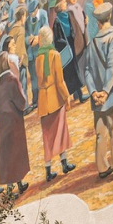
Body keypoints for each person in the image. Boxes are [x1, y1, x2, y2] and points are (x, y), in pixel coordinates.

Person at [83, 1, 113, 179]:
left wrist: (93, 92)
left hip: (96, 97)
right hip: (111, 93)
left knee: (100, 132)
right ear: (109, 17)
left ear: (98, 22)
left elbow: (86, 70)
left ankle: (103, 168)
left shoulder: (93, 42)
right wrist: (105, 91)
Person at [33, 27, 76, 181]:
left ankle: (48, 170)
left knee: (47, 135)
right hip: (55, 98)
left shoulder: (38, 57)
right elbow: (59, 80)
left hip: (43, 101)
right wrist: (66, 97)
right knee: (61, 131)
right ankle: (64, 162)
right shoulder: (54, 55)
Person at [0, 53, 32, 191]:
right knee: (16, 154)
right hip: (15, 123)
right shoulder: (13, 81)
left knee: (7, 156)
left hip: (3, 125)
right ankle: (19, 184)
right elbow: (22, 103)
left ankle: (10, 187)